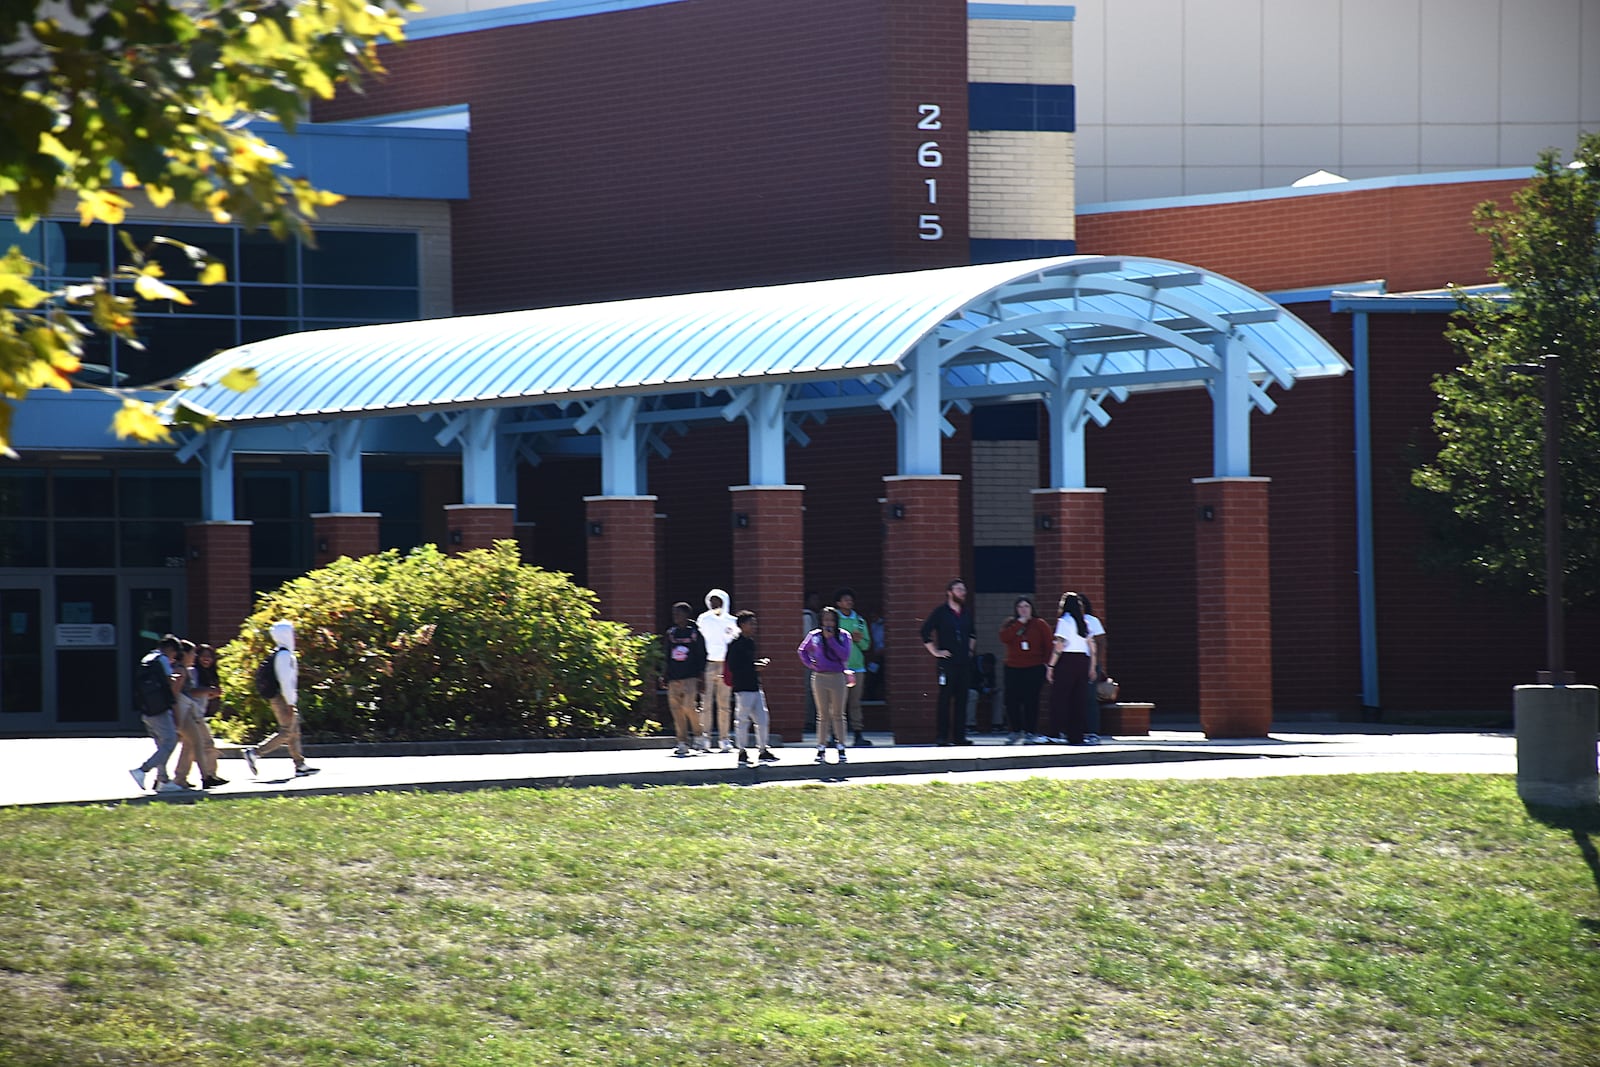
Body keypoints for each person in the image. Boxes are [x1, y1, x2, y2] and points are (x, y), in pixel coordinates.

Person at [242, 620, 316, 777]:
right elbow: (286, 682)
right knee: (287, 732)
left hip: (282, 697)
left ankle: (300, 764)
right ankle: (255, 752)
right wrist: (290, 703)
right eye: (292, 633)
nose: (295, 636)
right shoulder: (284, 655)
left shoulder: (280, 653)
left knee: (294, 732)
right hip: (282, 698)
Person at [919, 578, 976, 745]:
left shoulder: (966, 612)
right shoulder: (941, 612)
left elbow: (973, 634)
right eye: (958, 589)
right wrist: (935, 652)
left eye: (963, 589)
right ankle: (942, 736)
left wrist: (970, 651)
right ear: (949, 592)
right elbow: (925, 631)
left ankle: (960, 736)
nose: (962, 592)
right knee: (945, 698)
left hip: (964, 662)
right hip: (947, 662)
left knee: (962, 699)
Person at [797, 606, 855, 764]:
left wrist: (830, 639)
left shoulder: (843, 635)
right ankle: (821, 746)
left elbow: (844, 655)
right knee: (822, 714)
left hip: (837, 676)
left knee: (838, 714)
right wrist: (810, 663)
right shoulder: (814, 635)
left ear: (836, 621)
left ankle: (841, 746)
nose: (828, 622)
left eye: (831, 620)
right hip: (820, 677)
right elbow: (802, 650)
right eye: (825, 619)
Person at [129, 634, 186, 794]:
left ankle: (163, 780)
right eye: (174, 654)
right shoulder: (161, 659)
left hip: (147, 708)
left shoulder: (148, 658)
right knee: (170, 741)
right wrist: (178, 679)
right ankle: (142, 770)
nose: (174, 658)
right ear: (170, 649)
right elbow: (170, 682)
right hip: (160, 709)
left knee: (161, 745)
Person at [172, 638, 227, 788]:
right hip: (191, 714)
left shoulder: (205, 673)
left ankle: (180, 778)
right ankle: (209, 775)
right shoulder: (191, 671)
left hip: (194, 713)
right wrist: (209, 690)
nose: (206, 659)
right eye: (202, 656)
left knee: (189, 745)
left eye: (209, 657)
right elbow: (191, 692)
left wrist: (209, 693)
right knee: (207, 744)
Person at [997, 596, 1052, 744]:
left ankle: (1030, 731)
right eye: (1020, 607)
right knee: (1011, 701)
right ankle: (1015, 730)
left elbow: (1048, 645)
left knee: (1031, 700)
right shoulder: (1010, 623)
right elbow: (1004, 638)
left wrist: (1047, 664)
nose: (1023, 609)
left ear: (1031, 608)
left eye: (1026, 606)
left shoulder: (1040, 624)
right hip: (1013, 667)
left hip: (1034, 667)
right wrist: (1019, 624)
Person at [726, 610, 778, 765]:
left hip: (755, 686)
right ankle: (741, 751)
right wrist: (754, 666)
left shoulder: (751, 642)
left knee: (762, 719)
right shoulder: (735, 644)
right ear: (742, 625)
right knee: (742, 720)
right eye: (751, 623)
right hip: (743, 688)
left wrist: (756, 664)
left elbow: (748, 662)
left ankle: (763, 749)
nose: (754, 626)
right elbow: (734, 666)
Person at [1046, 592, 1096, 745]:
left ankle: (1054, 733)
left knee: (1060, 698)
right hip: (1083, 661)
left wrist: (1051, 665)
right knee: (1078, 700)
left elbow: (1059, 645)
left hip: (1067, 661)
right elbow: (1092, 648)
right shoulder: (1084, 623)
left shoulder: (1064, 621)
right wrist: (1092, 667)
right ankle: (1076, 735)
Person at [696, 588, 740, 752]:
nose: (715, 604)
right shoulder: (703, 619)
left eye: (718, 600)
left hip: (725, 665)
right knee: (705, 703)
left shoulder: (732, 621)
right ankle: (704, 738)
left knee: (724, 704)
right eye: (712, 600)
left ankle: (724, 739)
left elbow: (734, 643)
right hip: (707, 664)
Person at [661, 601, 706, 756]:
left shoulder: (694, 634)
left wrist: (702, 677)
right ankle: (682, 742)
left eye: (679, 614)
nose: (676, 617)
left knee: (688, 706)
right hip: (674, 677)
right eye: (674, 614)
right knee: (676, 710)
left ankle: (699, 735)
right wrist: (664, 675)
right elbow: (667, 656)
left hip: (690, 677)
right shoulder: (671, 634)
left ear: (687, 615)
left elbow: (701, 656)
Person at [834, 587, 874, 747]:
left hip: (858, 667)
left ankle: (858, 734)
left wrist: (859, 640)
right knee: (837, 702)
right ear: (838, 603)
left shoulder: (860, 620)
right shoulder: (833, 619)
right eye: (845, 599)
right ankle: (834, 736)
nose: (849, 602)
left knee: (855, 702)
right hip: (838, 667)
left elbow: (866, 645)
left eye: (850, 599)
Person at [1079, 593, 1109, 744]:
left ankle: (1092, 731)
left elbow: (1101, 642)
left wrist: (1097, 664)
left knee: (1090, 698)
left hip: (1090, 663)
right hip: (1074, 663)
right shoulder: (1068, 621)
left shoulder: (1092, 621)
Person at [801, 590, 822, 732]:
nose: (817, 602)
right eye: (814, 599)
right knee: (809, 689)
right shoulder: (807, 616)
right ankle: (809, 720)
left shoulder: (816, 616)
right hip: (810, 659)